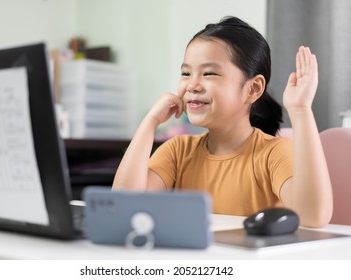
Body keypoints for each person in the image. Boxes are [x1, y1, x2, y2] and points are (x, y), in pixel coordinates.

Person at [112, 16, 333, 228]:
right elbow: (124, 206)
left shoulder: (273, 153)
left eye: (208, 73)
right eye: (186, 73)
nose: (192, 85)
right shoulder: (178, 151)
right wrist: (150, 122)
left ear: (253, 89)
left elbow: (313, 216)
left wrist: (301, 110)